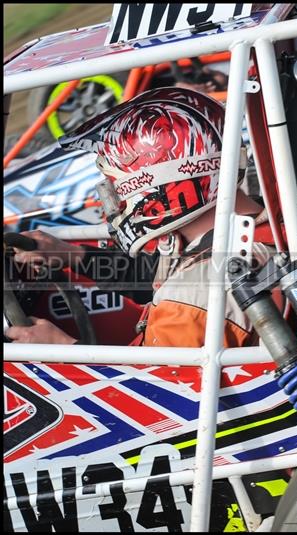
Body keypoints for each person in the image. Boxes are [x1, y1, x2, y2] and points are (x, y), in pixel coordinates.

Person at [6, 87, 271, 348]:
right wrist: (72, 255)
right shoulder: (258, 224)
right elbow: (156, 274)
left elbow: (156, 387)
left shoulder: (189, 301)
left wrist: (63, 348)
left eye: (119, 185)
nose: (119, 201)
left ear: (162, 184)